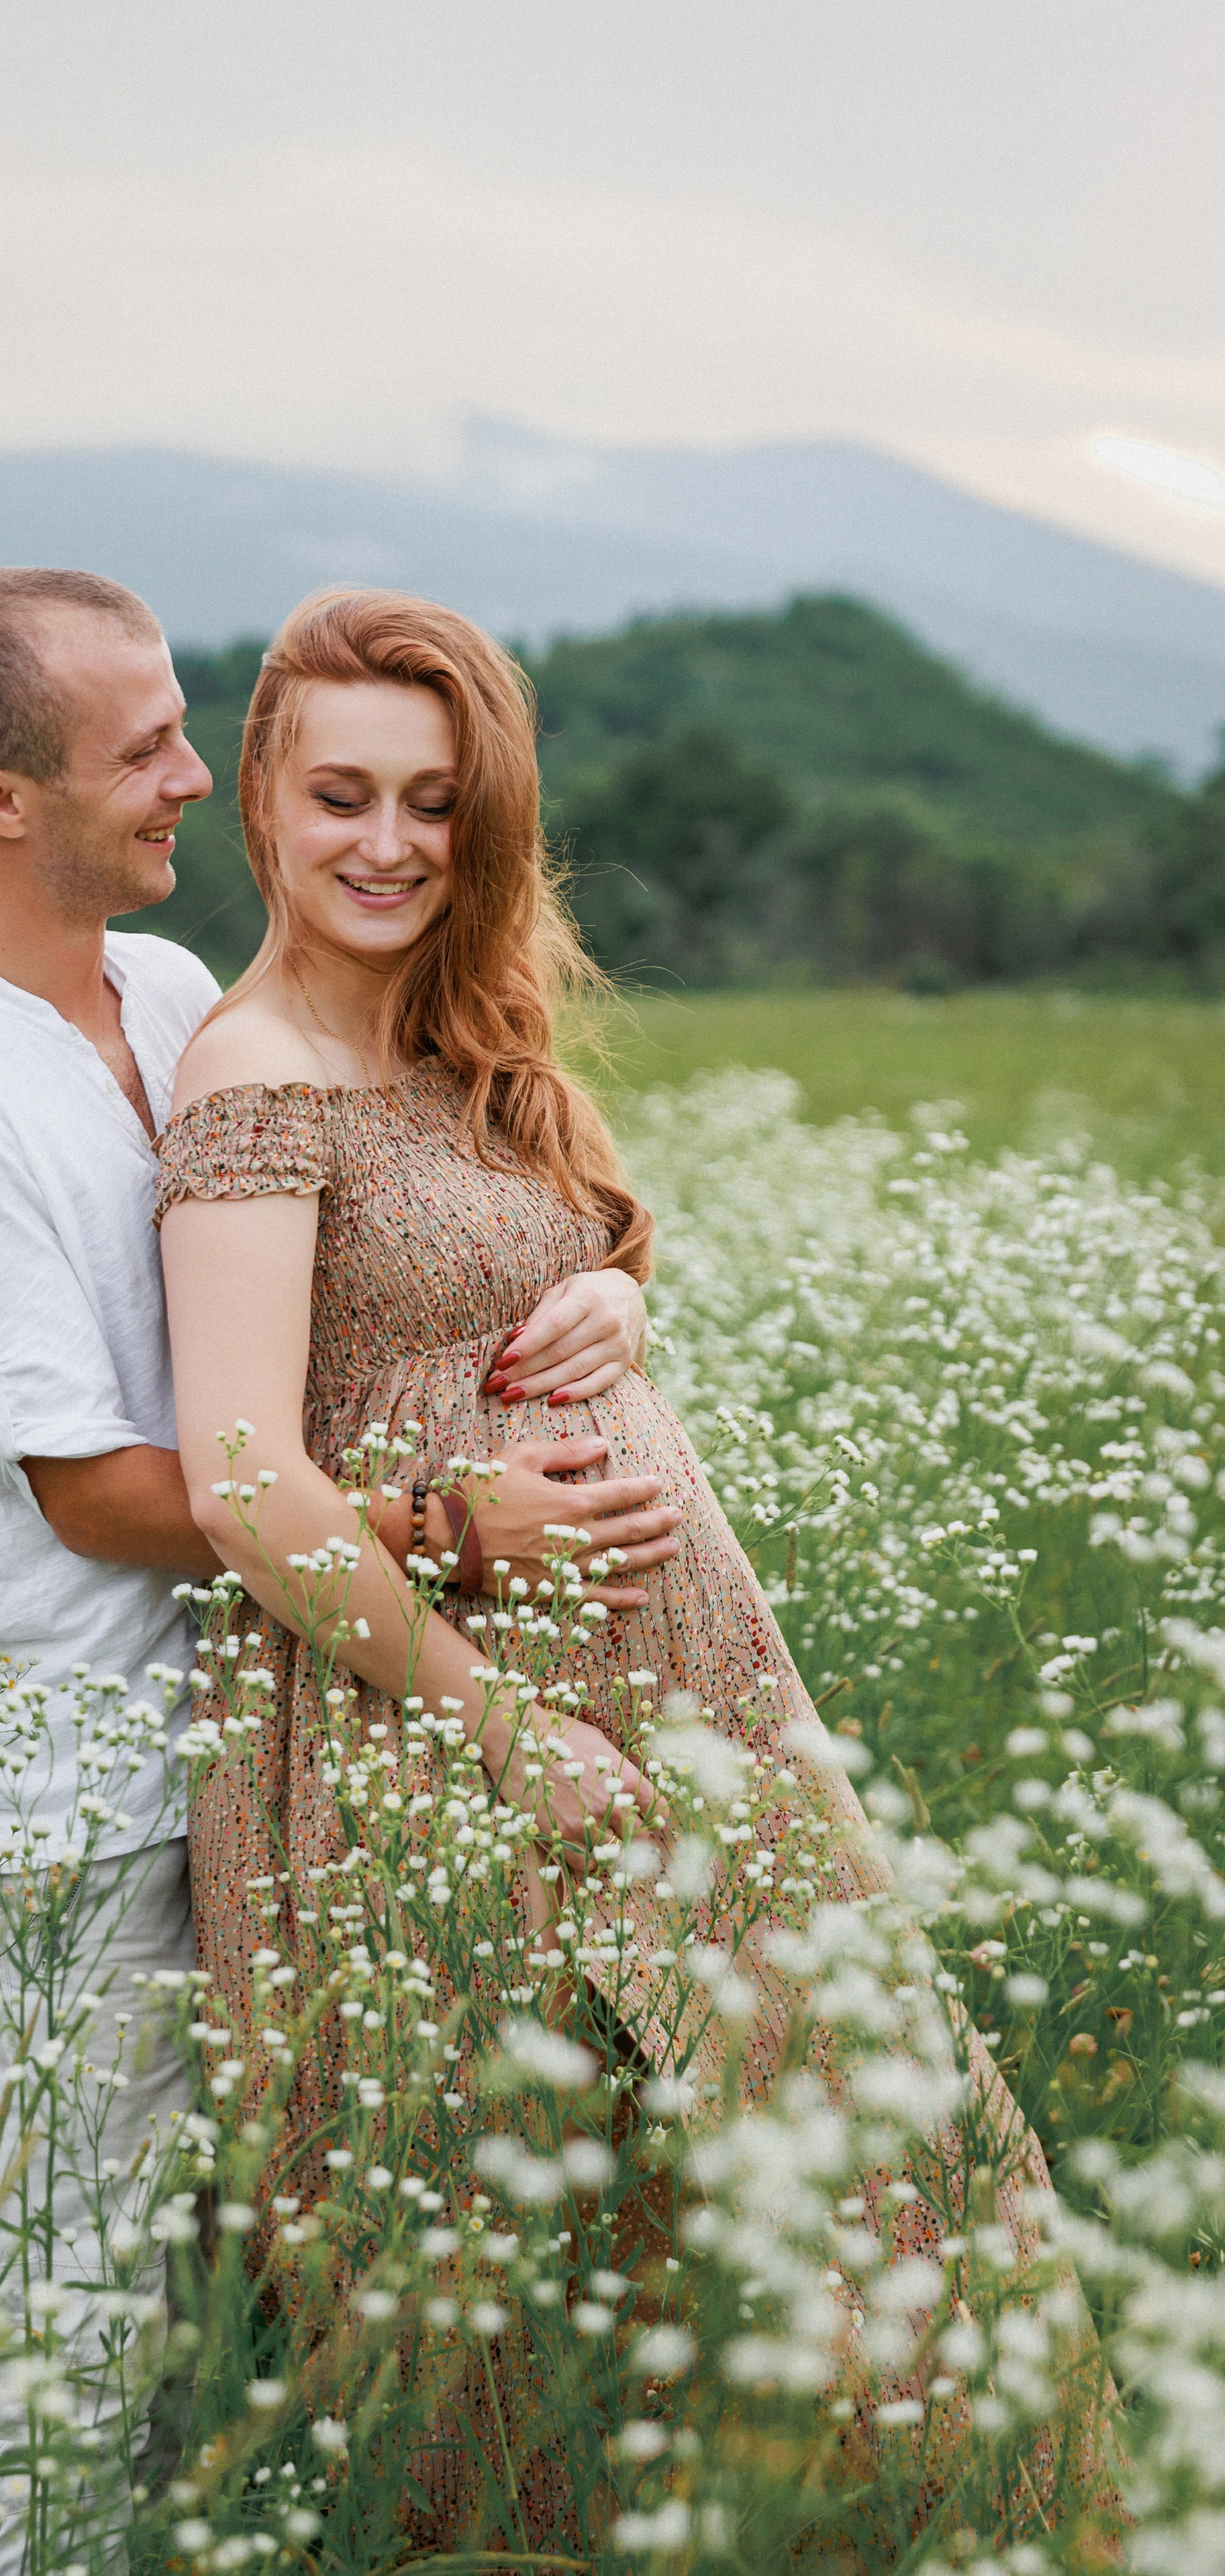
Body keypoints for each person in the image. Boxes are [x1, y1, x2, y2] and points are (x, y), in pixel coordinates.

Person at [154, 586, 1110, 2552]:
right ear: (261, 796)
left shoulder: (460, 1027)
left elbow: (504, 1273)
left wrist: (616, 1289)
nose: (390, 843)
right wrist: (510, 1731)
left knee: (850, 2164)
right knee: (507, 2282)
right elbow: (245, 1486)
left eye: (437, 802)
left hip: (676, 1704)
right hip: (437, 1739)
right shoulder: (255, 1080)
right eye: (344, 794)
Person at [0, 566, 679, 2573]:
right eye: (145, 752)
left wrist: (610, 1287)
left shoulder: (165, 990)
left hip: (272, 1739)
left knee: (288, 2314)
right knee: (80, 2343)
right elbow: (104, 1491)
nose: (201, 778)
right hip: (71, 1797)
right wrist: (451, 1536)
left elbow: (366, 1279)